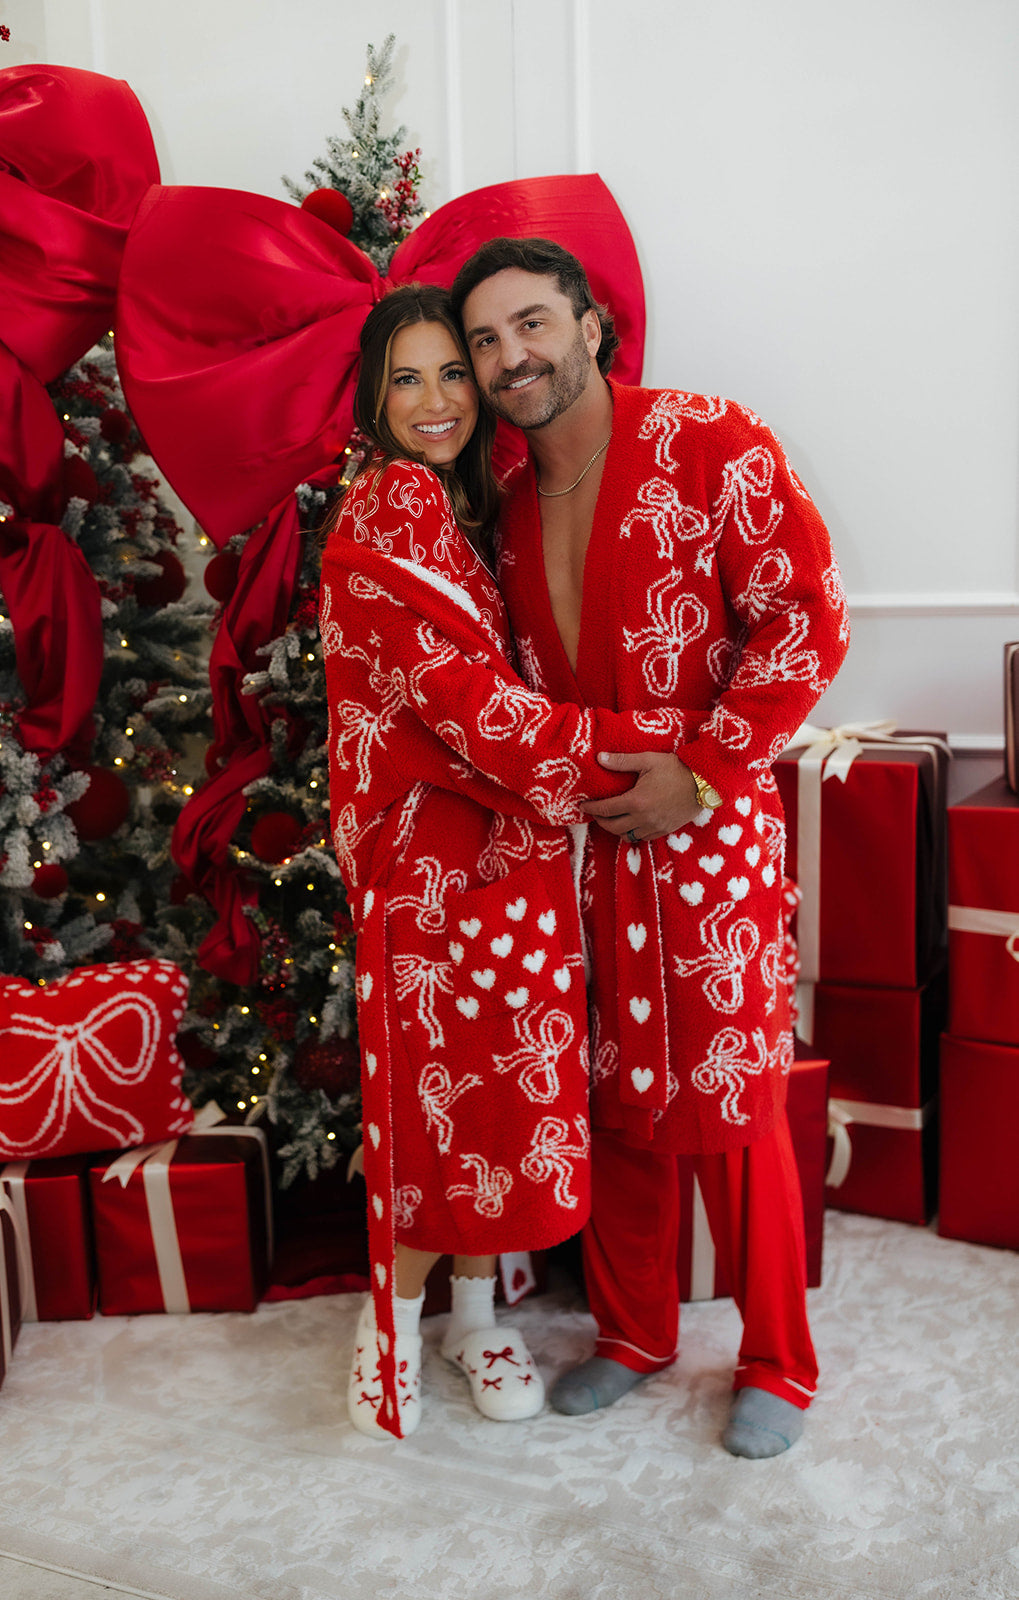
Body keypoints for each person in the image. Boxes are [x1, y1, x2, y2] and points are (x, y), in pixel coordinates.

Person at [451, 239, 850, 1458]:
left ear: (587, 323)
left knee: (729, 1098)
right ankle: (633, 1332)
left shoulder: (709, 439)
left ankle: (777, 1355)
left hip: (710, 828)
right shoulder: (508, 506)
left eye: (529, 323)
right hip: (579, 845)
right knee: (611, 1097)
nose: (510, 355)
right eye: (482, 340)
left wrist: (710, 769)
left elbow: (805, 614)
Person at [320, 283, 699, 1440]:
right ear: (374, 399)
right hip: (433, 872)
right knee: (440, 1109)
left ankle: (477, 1315)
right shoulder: (390, 507)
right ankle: (387, 1328)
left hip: (506, 860)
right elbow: (461, 706)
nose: (438, 400)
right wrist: (632, 753)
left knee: (493, 1102)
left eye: (453, 372)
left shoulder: (466, 504)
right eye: (409, 379)